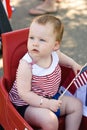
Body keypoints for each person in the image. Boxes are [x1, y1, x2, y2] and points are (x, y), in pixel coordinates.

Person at [9, 14, 82, 130]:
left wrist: (73, 64)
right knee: (50, 120)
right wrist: (46, 104)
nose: (35, 43)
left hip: (51, 97)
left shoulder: (54, 54)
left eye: (42, 40)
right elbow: (24, 94)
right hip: (27, 105)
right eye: (31, 37)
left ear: (55, 45)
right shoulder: (26, 64)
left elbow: (62, 57)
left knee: (77, 106)